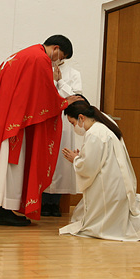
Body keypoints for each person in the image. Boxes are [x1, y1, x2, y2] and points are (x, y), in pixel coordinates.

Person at [0, 35, 74, 227]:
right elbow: (44, 95)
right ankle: (3, 212)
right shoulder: (40, 58)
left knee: (4, 166)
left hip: (6, 116)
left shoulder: (26, 54)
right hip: (14, 123)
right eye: (61, 57)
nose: (58, 62)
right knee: (10, 167)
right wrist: (64, 102)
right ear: (56, 48)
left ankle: (1, 211)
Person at [59, 100, 140, 242]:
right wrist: (81, 158)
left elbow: (88, 167)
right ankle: (139, 207)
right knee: (81, 215)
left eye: (73, 123)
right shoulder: (102, 128)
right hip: (115, 181)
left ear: (81, 117)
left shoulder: (94, 134)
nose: (74, 127)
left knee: (92, 224)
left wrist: (75, 159)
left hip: (109, 186)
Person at [41, 59, 83, 217]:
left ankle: (55, 203)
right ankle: (43, 202)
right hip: (46, 121)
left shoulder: (74, 73)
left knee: (61, 163)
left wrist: (60, 82)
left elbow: (76, 98)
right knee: (44, 160)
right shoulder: (43, 70)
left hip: (65, 123)